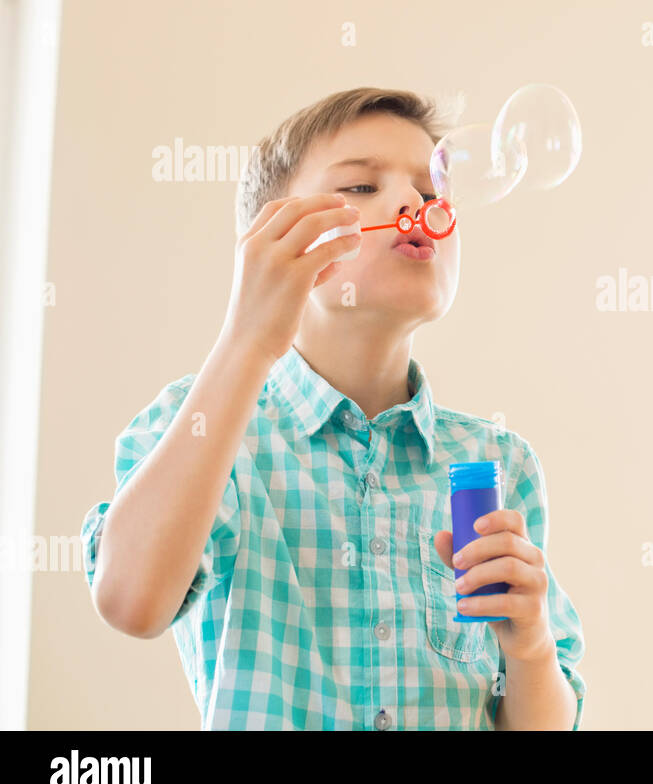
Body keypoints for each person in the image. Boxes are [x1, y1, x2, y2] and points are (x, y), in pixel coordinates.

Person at [79, 88, 585, 730]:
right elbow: (131, 601)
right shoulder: (209, 425)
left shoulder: (498, 463)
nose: (412, 205)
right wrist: (248, 337)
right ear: (274, 238)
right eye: (363, 188)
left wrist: (532, 645)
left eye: (431, 193)